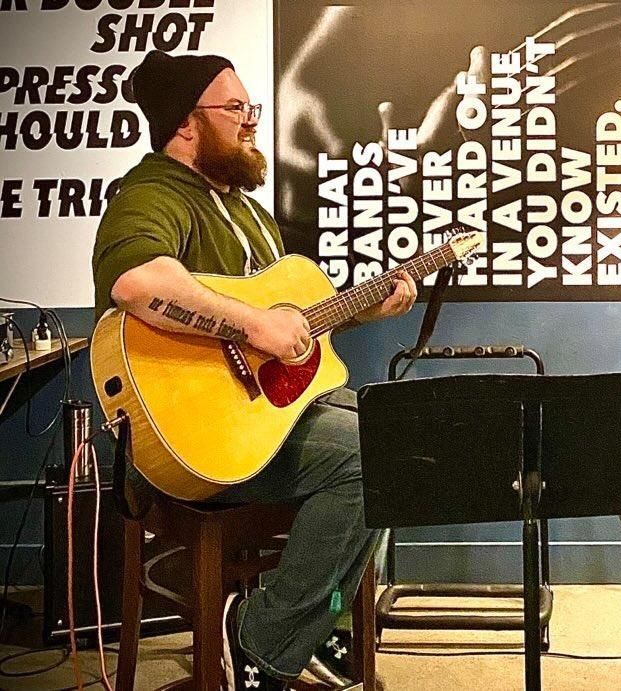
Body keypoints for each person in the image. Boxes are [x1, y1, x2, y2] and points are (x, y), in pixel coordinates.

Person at [92, 50, 416, 690]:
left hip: (263, 423)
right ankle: (262, 642)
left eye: (251, 108)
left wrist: (362, 309)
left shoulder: (246, 211)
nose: (250, 121)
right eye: (235, 108)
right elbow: (136, 283)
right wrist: (251, 325)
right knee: (371, 454)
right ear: (186, 122)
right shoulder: (151, 193)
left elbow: (285, 328)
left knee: (401, 434)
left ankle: (316, 626)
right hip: (191, 442)